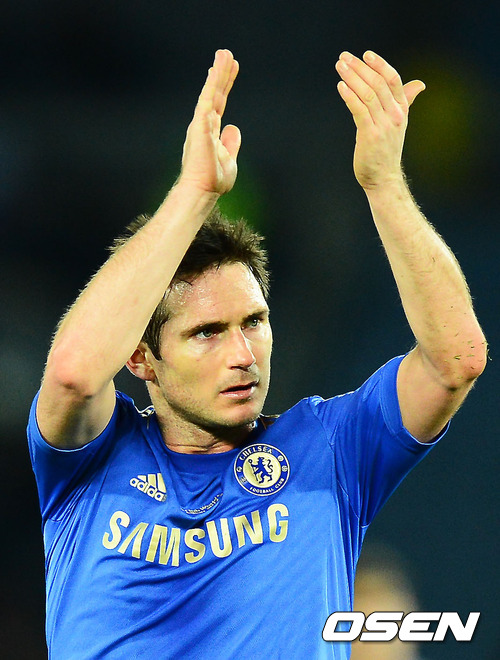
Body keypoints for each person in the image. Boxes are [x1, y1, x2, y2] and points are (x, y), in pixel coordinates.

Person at [27, 49, 486, 660]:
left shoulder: (331, 449)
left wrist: (384, 184)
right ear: (140, 359)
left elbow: (456, 358)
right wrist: (194, 193)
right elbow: (72, 376)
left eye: (255, 322)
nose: (243, 353)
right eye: (207, 332)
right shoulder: (89, 460)